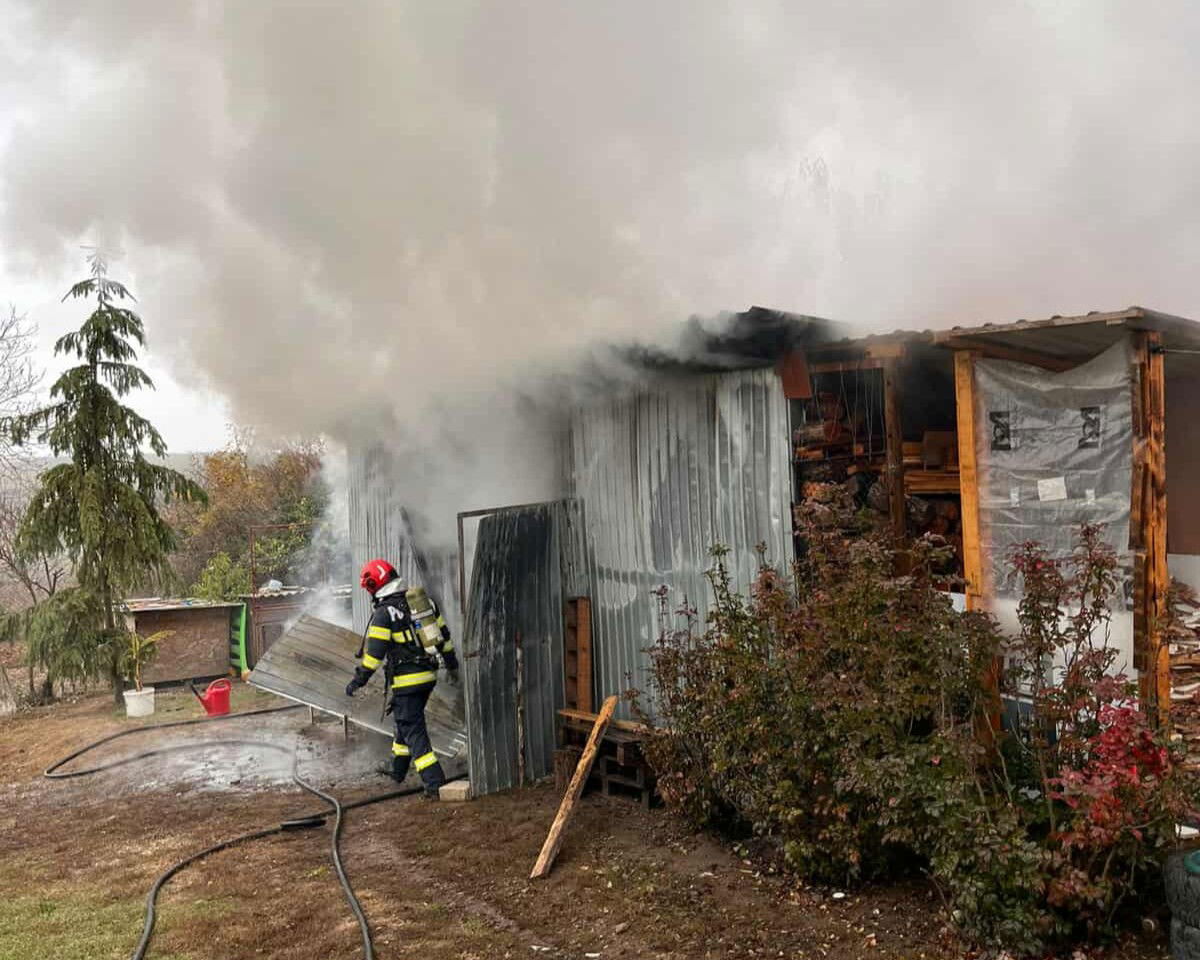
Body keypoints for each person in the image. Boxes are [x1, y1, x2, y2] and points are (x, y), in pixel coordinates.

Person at [345, 558, 459, 798]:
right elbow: (444, 637)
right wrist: (451, 665)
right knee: (404, 720)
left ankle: (434, 782)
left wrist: (358, 681)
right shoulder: (423, 603)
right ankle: (397, 768)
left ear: (375, 585)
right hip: (429, 675)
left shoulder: (384, 614)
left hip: (407, 681)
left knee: (413, 728)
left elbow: (373, 657)